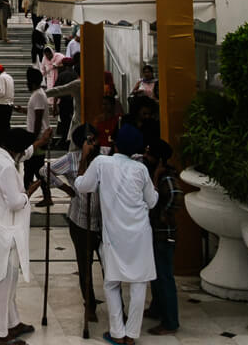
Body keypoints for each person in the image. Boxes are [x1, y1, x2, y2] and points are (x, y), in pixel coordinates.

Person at [74, 125, 158, 345]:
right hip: (140, 234)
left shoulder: (102, 163)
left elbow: (83, 186)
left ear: (116, 145)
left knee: (112, 282)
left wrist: (82, 164)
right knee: (139, 284)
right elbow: (152, 201)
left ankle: (117, 333)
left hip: (115, 234)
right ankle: (131, 335)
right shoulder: (141, 169)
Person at [39, 123, 102, 322]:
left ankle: (119, 306)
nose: (93, 144)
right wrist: (65, 189)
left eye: (95, 139)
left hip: (104, 221)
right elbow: (44, 171)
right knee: (85, 265)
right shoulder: (71, 159)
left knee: (110, 265)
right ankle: (89, 303)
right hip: (80, 220)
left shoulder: (105, 158)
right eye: (88, 140)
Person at [0, 127, 38, 345]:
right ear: (16, 150)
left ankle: (13, 323)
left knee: (10, 281)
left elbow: (22, 154)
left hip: (1, 229)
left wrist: (38, 144)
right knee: (2, 284)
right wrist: (28, 194)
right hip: (4, 232)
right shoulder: (5, 166)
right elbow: (15, 202)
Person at [143, 138, 182, 336]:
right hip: (155, 233)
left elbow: (175, 195)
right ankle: (157, 308)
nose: (145, 156)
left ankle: (170, 321)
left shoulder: (165, 177)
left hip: (163, 235)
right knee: (156, 275)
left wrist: (165, 215)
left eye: (149, 153)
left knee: (165, 277)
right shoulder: (153, 173)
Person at [22, 66, 51, 205]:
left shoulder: (38, 95)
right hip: (37, 137)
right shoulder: (37, 94)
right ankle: (43, 195)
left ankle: (25, 196)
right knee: (34, 168)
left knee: (32, 168)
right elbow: (34, 113)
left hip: (38, 138)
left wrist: (34, 139)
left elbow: (38, 117)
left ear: (32, 82)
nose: (26, 83)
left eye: (27, 81)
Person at [48, 52, 82, 148]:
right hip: (73, 103)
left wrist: (55, 105)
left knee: (64, 122)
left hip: (64, 103)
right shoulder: (75, 75)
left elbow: (58, 90)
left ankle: (65, 140)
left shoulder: (62, 75)